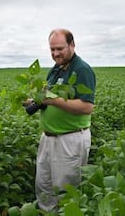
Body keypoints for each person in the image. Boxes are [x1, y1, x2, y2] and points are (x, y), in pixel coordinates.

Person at [32, 28, 96, 212]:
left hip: (69, 139)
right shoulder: (55, 70)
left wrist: (54, 101)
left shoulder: (82, 70)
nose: (55, 53)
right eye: (52, 49)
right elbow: (47, 98)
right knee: (43, 186)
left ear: (72, 45)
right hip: (49, 138)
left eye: (59, 48)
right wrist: (35, 101)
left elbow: (87, 107)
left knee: (65, 192)